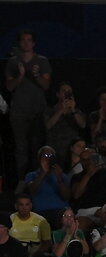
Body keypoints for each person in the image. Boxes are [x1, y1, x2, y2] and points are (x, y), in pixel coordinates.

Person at [5, 28, 52, 178]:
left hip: (37, 110)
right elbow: (9, 87)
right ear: (19, 42)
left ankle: (38, 179)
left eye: (28, 40)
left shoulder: (41, 61)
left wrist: (36, 75)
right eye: (23, 40)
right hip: (18, 111)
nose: (25, 43)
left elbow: (46, 85)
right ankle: (21, 180)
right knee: (21, 148)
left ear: (33, 43)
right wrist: (20, 76)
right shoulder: (13, 62)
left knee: (37, 146)